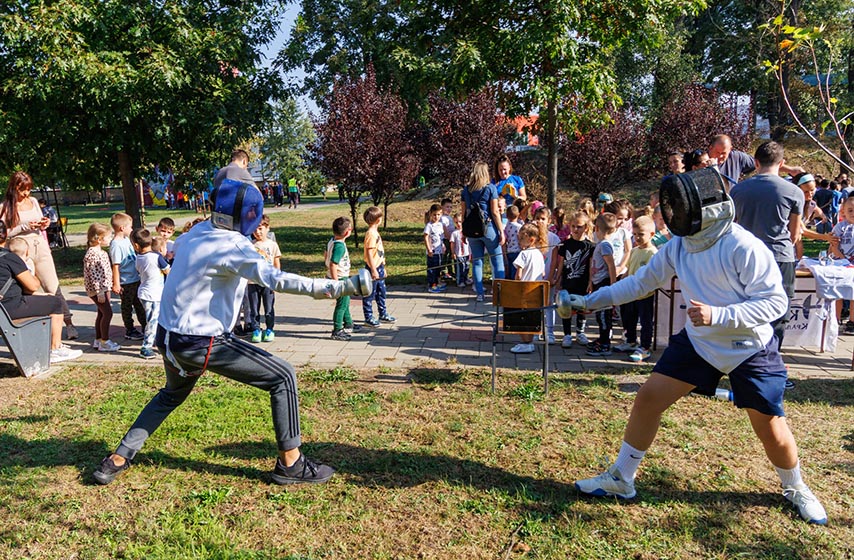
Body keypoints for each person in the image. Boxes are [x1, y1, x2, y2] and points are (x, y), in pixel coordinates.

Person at [567, 168, 828, 525]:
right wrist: (589, 302)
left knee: (770, 426)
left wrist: (719, 314)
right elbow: (640, 283)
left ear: (704, 208)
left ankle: (796, 487)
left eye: (677, 207)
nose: (671, 215)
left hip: (748, 345)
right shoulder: (679, 245)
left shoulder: (743, 246)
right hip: (701, 343)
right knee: (648, 399)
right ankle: (622, 479)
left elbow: (775, 304)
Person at [92, 179, 372, 486]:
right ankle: (291, 464)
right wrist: (341, 286)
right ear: (250, 214)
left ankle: (117, 458)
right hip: (202, 343)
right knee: (283, 376)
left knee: (171, 395)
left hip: (167, 338)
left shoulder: (194, 234)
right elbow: (277, 280)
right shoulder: (234, 247)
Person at [731, 141, 803, 350]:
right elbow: (795, 234)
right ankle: (771, 357)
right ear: (782, 164)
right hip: (780, 256)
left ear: (755, 162)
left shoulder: (738, 190)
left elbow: (733, 226)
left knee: (746, 305)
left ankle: (744, 355)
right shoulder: (793, 191)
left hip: (745, 257)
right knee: (779, 310)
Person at [0, 172, 78, 339]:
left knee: (52, 285)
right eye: (22, 190)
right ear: (14, 188)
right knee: (28, 287)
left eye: (28, 189)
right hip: (20, 248)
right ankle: (29, 329)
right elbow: (4, 233)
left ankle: (68, 323)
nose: (26, 193)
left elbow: (41, 220)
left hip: (39, 245)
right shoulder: (5, 206)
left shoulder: (34, 201)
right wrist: (24, 227)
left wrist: (45, 224)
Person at [0, 222, 81, 363]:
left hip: (4, 306)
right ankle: (55, 348)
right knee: (55, 303)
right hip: (10, 307)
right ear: (5, 235)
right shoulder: (9, 257)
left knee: (46, 299)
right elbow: (31, 286)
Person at [614, 216, 657, 362]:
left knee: (645, 321)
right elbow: (628, 269)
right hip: (630, 293)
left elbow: (652, 275)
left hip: (645, 295)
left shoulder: (653, 253)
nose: (637, 237)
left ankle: (645, 347)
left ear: (651, 234)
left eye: (641, 234)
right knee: (628, 318)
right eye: (635, 234)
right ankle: (630, 341)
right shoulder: (634, 251)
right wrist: (624, 279)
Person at [461, 162, 505, 302]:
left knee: (477, 262)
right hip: (489, 228)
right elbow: (495, 211)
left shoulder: (466, 190)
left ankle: (479, 293)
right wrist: (501, 231)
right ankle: (499, 294)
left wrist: (463, 231)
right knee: (497, 261)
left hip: (472, 229)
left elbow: (463, 213)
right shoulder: (490, 188)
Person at [708, 134, 804, 191]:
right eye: (717, 152)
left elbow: (764, 163)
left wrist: (791, 170)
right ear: (710, 148)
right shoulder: (701, 161)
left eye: (724, 153)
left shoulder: (737, 157)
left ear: (730, 149)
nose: (720, 156)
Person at [554, 211, 594, 348]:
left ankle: (580, 332)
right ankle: (566, 334)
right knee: (566, 308)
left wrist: (590, 281)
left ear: (586, 228)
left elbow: (591, 265)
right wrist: (557, 278)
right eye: (573, 226)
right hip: (568, 281)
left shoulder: (590, 246)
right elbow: (561, 264)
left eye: (579, 227)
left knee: (582, 307)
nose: (576, 229)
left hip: (582, 281)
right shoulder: (565, 245)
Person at [132, 229, 170, 359]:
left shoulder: (138, 258)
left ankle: (159, 342)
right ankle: (146, 347)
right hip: (153, 295)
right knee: (153, 321)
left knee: (154, 320)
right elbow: (168, 271)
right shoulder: (156, 257)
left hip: (145, 293)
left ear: (136, 246)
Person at [509, 223, 547, 354]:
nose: (518, 241)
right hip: (536, 293)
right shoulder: (539, 255)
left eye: (521, 238)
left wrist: (515, 285)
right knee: (531, 317)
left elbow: (518, 274)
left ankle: (526, 343)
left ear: (530, 239)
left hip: (523, 291)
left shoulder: (524, 254)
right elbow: (542, 274)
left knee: (521, 317)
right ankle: (529, 340)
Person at [83, 223, 121, 353]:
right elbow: (94, 276)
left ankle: (98, 339)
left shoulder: (101, 252)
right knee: (108, 313)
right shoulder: (93, 254)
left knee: (101, 313)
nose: (110, 239)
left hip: (104, 288)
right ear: (99, 239)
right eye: (108, 237)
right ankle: (105, 341)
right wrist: (99, 292)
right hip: (99, 290)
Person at [585, 213, 619, 356]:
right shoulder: (600, 244)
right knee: (599, 315)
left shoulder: (605, 245)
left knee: (604, 315)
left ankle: (605, 344)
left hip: (605, 284)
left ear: (597, 228)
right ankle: (602, 338)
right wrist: (591, 282)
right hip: (597, 283)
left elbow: (611, 266)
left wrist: (613, 286)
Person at [109, 213, 146, 340]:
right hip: (126, 282)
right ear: (122, 228)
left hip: (135, 278)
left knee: (139, 304)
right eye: (130, 227)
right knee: (127, 306)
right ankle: (129, 330)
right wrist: (116, 283)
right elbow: (115, 265)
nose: (132, 229)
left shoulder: (127, 240)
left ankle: (146, 327)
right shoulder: (116, 245)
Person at [325, 216, 363, 341]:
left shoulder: (332, 241)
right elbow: (333, 264)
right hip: (339, 279)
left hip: (339, 277)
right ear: (347, 232)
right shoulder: (339, 246)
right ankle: (337, 330)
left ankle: (349, 324)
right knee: (341, 305)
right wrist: (336, 283)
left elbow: (326, 255)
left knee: (345, 302)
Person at [247, 215, 281, 343]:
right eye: (255, 229)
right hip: (253, 282)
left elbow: (276, 263)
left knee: (269, 308)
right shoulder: (250, 245)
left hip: (268, 282)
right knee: (254, 308)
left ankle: (269, 329)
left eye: (260, 229)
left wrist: (276, 280)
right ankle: (256, 329)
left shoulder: (272, 245)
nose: (258, 232)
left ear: (267, 228)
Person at [362, 206, 395, 327]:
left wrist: (382, 267)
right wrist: (373, 270)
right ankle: (369, 317)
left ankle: (383, 313)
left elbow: (378, 253)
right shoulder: (371, 234)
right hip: (373, 269)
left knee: (381, 291)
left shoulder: (375, 232)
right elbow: (370, 253)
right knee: (370, 293)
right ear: (378, 219)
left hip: (379, 267)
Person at [533, 206, 560, 344]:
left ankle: (549, 331)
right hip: (534, 278)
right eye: (537, 218)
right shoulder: (532, 237)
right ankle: (536, 329)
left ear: (549, 221)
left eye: (543, 219)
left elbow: (555, 260)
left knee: (549, 304)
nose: (539, 222)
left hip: (548, 276)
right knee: (535, 304)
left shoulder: (553, 239)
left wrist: (552, 277)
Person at [829, 197, 854, 334]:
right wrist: (842, 259)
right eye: (850, 210)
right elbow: (833, 246)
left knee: (853, 295)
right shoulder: (840, 227)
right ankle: (836, 319)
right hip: (841, 264)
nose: (853, 213)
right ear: (843, 211)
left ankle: (852, 322)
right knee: (838, 293)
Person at [424, 203, 446, 294]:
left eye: (438, 214)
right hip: (432, 251)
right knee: (432, 268)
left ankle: (436, 283)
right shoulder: (429, 225)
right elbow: (426, 237)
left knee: (438, 268)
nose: (436, 217)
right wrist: (429, 249)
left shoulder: (440, 224)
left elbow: (441, 237)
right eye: (434, 215)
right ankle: (431, 285)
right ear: (431, 214)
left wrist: (443, 245)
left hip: (439, 251)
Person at [449, 213, 471, 287]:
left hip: (467, 253)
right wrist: (453, 253)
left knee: (467, 267)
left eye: (460, 222)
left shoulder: (466, 231)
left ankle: (465, 278)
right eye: (456, 222)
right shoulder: (454, 233)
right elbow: (452, 243)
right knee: (460, 268)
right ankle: (459, 280)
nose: (458, 224)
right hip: (459, 254)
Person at [439, 198, 456, 282]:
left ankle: (450, 271)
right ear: (442, 207)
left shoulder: (449, 217)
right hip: (446, 240)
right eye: (447, 207)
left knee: (450, 256)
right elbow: (445, 230)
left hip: (451, 239)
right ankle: (443, 271)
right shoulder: (442, 218)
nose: (449, 209)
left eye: (450, 207)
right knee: (445, 256)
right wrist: (450, 239)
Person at [503, 205, 522, 273]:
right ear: (518, 214)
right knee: (515, 269)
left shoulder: (506, 227)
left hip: (509, 250)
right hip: (517, 251)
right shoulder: (519, 227)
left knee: (510, 268)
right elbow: (520, 239)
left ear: (507, 216)